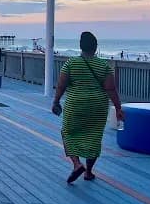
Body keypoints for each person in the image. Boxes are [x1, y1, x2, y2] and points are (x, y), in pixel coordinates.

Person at [52, 31, 124, 183]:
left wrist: (56, 101)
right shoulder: (104, 65)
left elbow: (61, 84)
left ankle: (77, 164)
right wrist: (118, 108)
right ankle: (89, 172)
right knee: (93, 136)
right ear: (96, 47)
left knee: (68, 133)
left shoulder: (71, 63)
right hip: (97, 106)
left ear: (81, 47)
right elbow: (111, 88)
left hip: (75, 104)